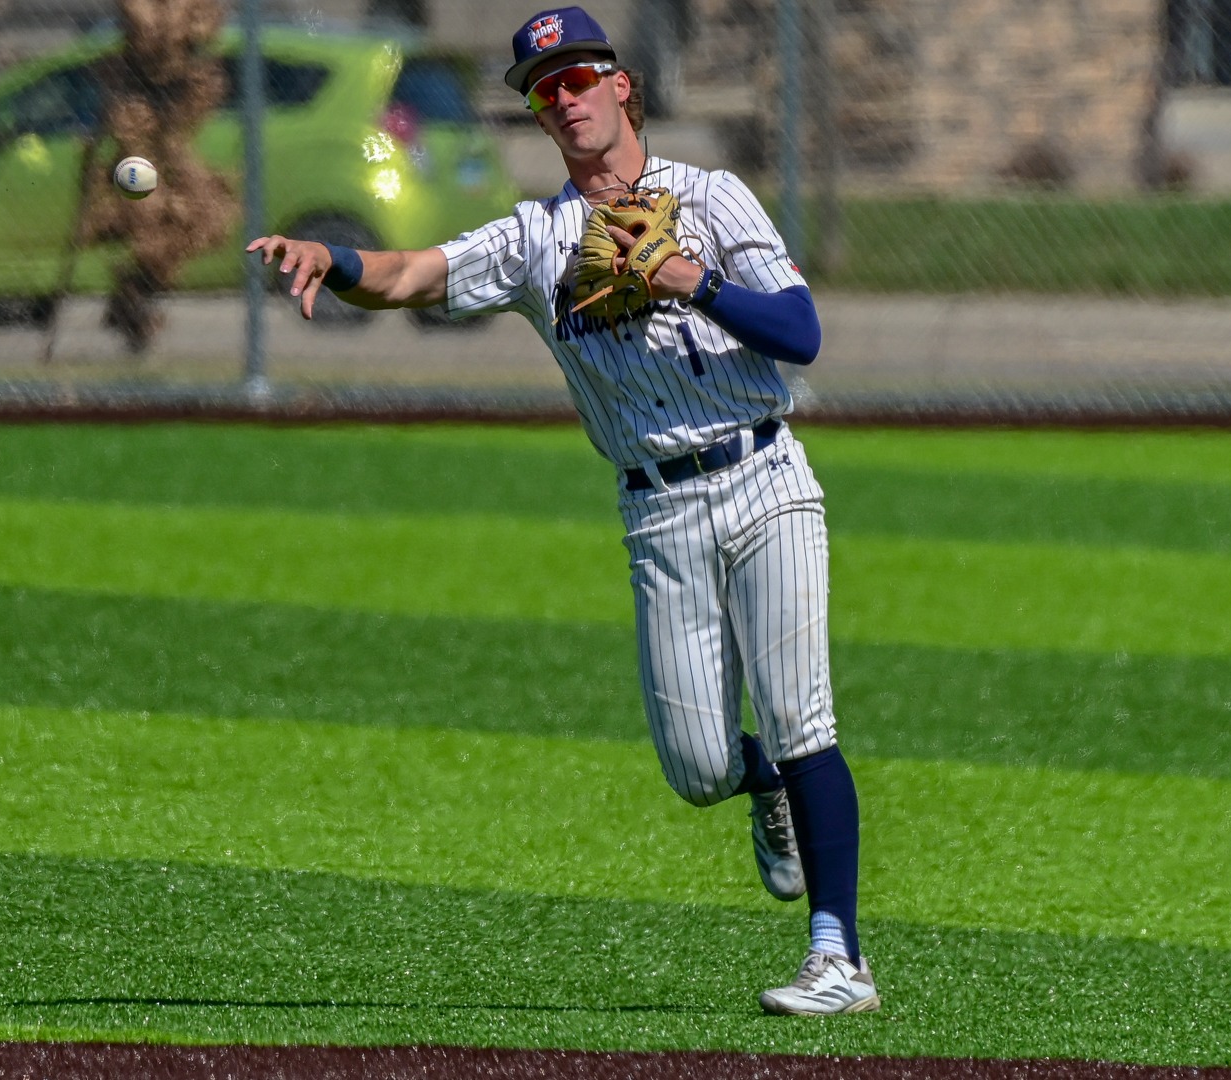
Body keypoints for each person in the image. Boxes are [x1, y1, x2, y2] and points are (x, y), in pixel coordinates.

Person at [246, 6, 874, 1015]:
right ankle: (768, 791)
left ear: (622, 86)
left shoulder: (713, 201)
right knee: (698, 767)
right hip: (658, 512)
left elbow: (798, 333)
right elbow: (413, 274)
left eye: (580, 78)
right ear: (539, 117)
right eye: (546, 90)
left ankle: (839, 958)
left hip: (766, 479)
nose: (565, 99)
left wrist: (685, 275)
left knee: (805, 713)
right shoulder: (538, 240)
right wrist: (339, 260)